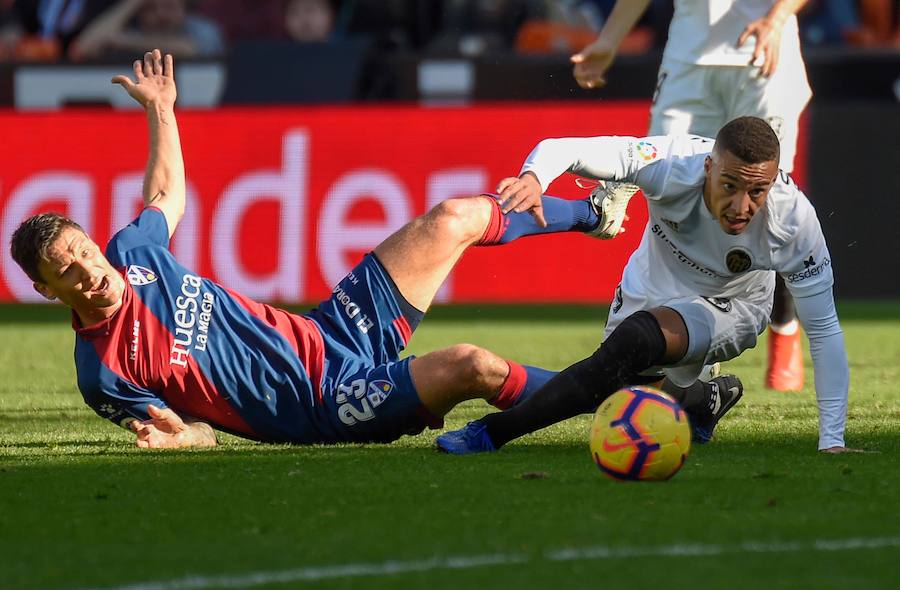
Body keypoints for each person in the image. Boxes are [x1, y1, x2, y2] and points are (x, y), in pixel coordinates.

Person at [9, 49, 623, 449]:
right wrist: (175, 441)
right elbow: (197, 435)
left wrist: (162, 111)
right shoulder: (104, 373)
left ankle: (594, 211)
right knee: (472, 365)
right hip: (323, 406)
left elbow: (167, 192)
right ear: (47, 290)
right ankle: (623, 405)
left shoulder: (133, 254)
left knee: (453, 216)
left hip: (330, 335)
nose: (91, 271)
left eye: (85, 252)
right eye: (69, 270)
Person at [436, 117, 856, 455]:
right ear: (709, 167)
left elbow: (823, 331)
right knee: (617, 395)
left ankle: (493, 433)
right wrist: (534, 178)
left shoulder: (795, 221)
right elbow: (567, 148)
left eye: (757, 191)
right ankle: (701, 401)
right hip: (652, 282)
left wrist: (832, 439)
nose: (741, 206)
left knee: (634, 343)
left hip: (734, 303)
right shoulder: (671, 163)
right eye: (730, 186)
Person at [571, 0, 813, 392]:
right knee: (665, 189)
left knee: (766, 204)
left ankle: (783, 327)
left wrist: (777, 17)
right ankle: (690, 337)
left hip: (764, 54)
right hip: (689, 57)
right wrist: (609, 40)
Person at [71, 0, 224, 60]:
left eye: (169, 6)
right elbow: (82, 49)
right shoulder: (134, 29)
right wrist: (130, 4)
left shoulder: (202, 29)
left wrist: (120, 40)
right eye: (150, 8)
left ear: (184, 8)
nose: (161, 15)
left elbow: (190, 49)